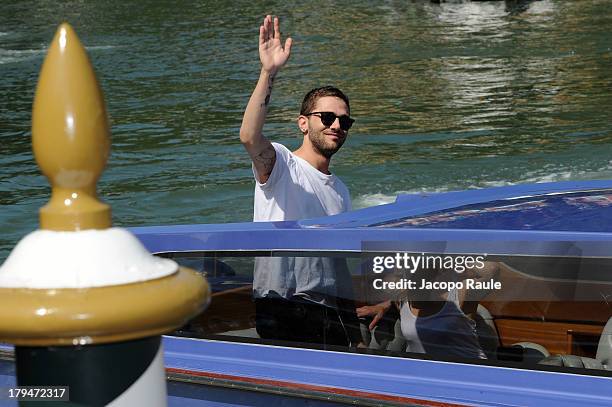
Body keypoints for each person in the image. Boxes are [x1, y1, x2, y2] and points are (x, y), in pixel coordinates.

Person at [239, 15, 361, 347]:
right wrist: (269, 72)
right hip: (283, 302)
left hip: (330, 305)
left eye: (344, 120)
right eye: (327, 117)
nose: (337, 125)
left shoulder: (341, 189)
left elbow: (339, 262)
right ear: (303, 124)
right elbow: (250, 136)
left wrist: (355, 314)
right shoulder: (281, 164)